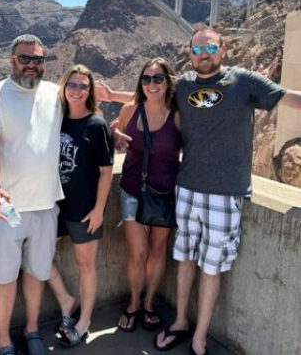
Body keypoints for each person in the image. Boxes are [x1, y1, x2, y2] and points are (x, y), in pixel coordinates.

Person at [106, 26, 301, 355]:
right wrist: (110, 100)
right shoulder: (183, 85)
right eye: (197, 51)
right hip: (185, 189)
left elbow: (288, 98)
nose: (204, 55)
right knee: (183, 260)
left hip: (225, 192)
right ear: (189, 54)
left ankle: (199, 336)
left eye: (210, 48)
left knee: (211, 267)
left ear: (222, 49)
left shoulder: (244, 81)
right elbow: (150, 95)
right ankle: (180, 322)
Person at [0, 34, 63, 355]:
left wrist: (113, 130)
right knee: (4, 277)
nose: (31, 65)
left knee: (37, 272)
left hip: (44, 204)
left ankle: (32, 330)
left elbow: (88, 110)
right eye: (25, 59)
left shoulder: (55, 94)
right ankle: (3, 340)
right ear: (12, 60)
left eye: (37, 60)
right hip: (6, 208)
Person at [47, 65, 113, 348]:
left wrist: (99, 209)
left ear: (90, 91)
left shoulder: (97, 125)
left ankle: (84, 321)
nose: (76, 90)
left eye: (83, 86)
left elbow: (106, 171)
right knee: (37, 257)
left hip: (84, 208)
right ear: (63, 87)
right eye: (71, 85)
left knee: (86, 265)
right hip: (52, 204)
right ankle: (66, 300)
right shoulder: (55, 119)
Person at [114, 58, 181, 333]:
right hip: (132, 191)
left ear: (168, 82)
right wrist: (114, 132)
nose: (151, 85)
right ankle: (134, 302)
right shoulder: (131, 109)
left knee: (157, 251)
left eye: (158, 79)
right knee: (138, 253)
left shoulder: (177, 114)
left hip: (165, 193)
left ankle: (150, 303)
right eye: (146, 79)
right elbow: (117, 128)